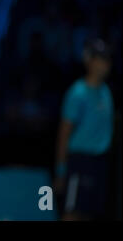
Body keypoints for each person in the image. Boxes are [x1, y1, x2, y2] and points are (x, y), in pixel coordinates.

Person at [54, 39, 114, 220]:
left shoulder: (106, 92)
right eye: (99, 58)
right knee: (72, 213)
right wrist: (61, 170)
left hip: (100, 163)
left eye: (107, 59)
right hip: (79, 162)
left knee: (90, 214)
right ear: (88, 60)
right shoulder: (77, 92)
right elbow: (64, 134)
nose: (104, 64)